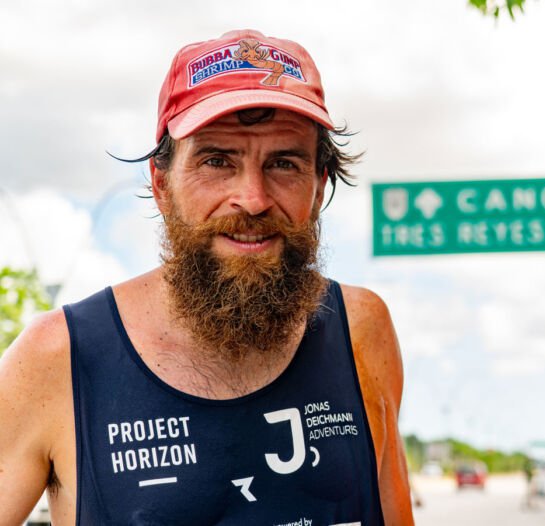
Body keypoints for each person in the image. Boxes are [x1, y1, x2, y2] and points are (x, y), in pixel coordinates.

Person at [0, 29, 413, 525]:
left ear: (319, 184)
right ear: (161, 184)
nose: (253, 198)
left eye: (284, 163)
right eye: (217, 161)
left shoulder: (361, 329)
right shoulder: (58, 358)